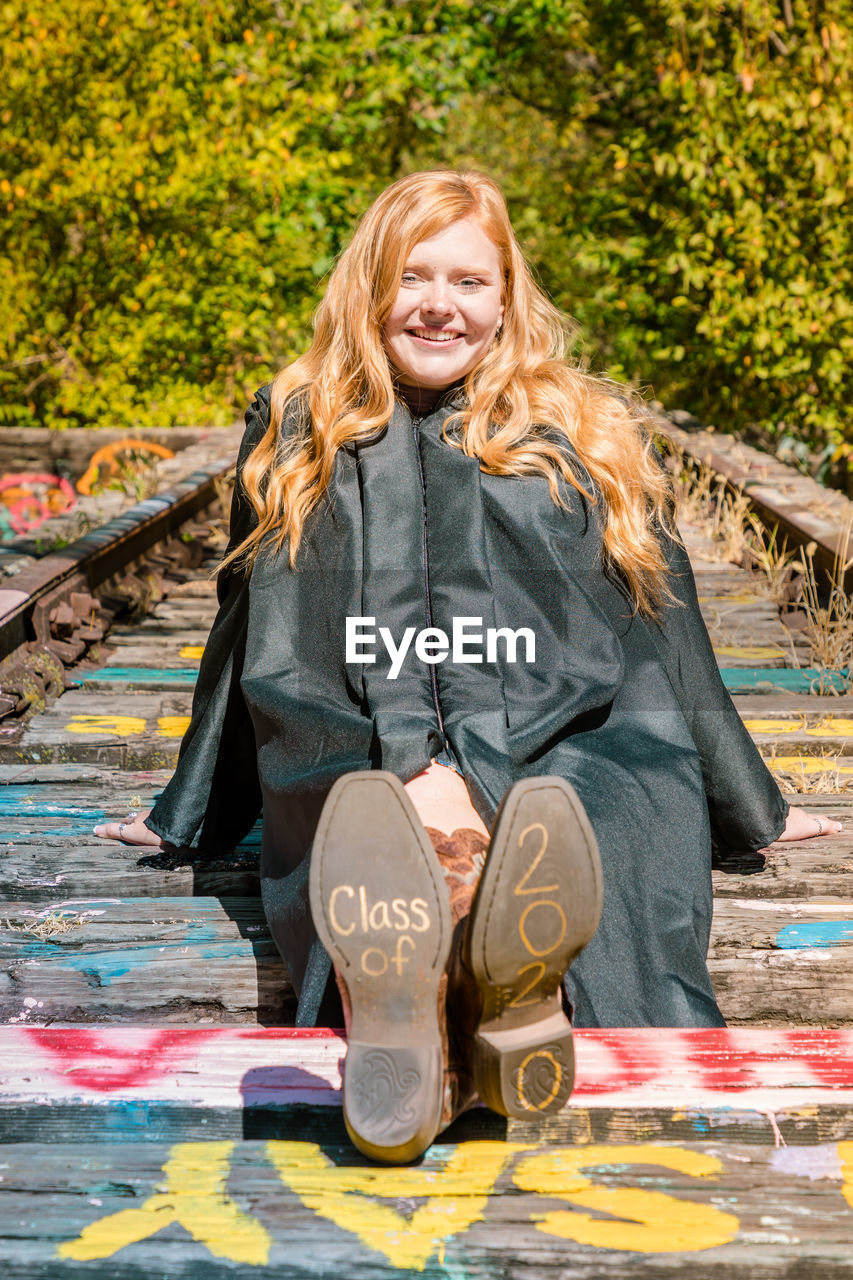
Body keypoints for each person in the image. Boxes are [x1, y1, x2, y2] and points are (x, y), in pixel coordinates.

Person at [94, 169, 840, 1164]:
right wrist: (187, 806)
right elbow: (248, 624)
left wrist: (751, 800)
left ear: (504, 300)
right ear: (370, 287)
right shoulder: (301, 426)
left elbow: (664, 625)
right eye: (413, 276)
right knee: (381, 809)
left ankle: (422, 993)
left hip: (579, 747)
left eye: (468, 281)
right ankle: (483, 989)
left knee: (537, 821)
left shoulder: (576, 430)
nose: (439, 303)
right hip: (354, 749)